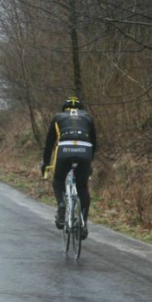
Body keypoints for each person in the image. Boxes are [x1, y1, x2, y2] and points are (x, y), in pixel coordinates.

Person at [40, 96, 97, 239]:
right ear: (80, 109)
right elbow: (94, 142)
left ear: (64, 109)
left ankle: (61, 206)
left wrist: (46, 163)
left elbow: (49, 143)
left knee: (58, 180)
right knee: (82, 187)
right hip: (85, 150)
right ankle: (83, 224)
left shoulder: (58, 117)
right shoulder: (87, 117)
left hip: (64, 148)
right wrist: (89, 163)